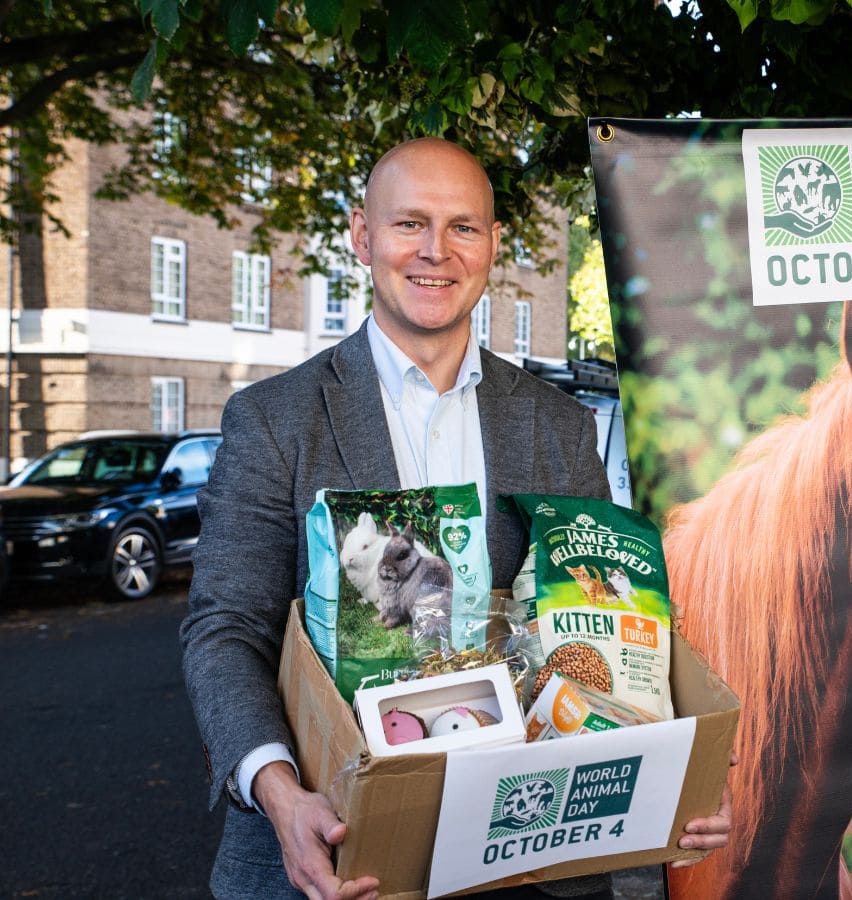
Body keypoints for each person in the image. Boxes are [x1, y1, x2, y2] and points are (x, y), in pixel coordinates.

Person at [180, 138, 731, 900]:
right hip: (330, 851)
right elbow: (225, 629)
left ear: (494, 245)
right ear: (362, 235)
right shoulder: (274, 421)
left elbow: (601, 614)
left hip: (524, 855)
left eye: (463, 227)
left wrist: (679, 759)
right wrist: (276, 789)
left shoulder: (559, 426)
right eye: (409, 224)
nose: (435, 251)